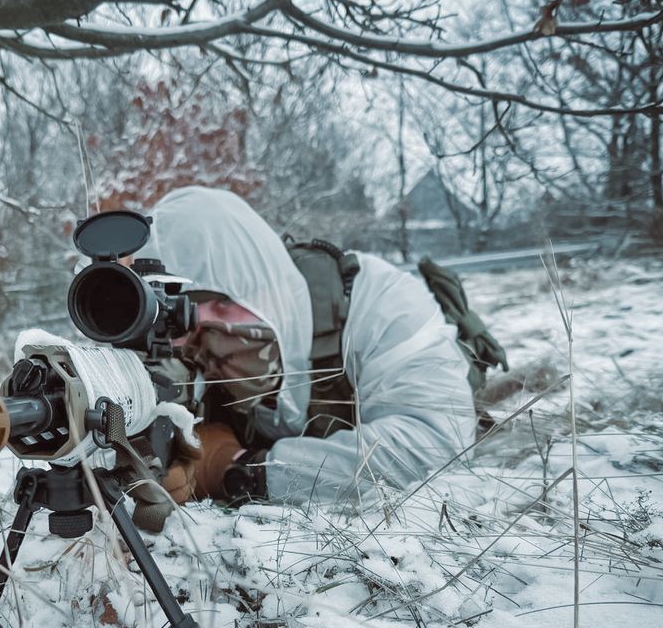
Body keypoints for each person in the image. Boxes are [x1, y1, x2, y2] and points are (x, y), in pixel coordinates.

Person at [137, 186, 479, 511]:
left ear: (271, 280)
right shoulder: (178, 340)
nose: (205, 327)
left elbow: (437, 444)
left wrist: (244, 471)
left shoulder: (383, 306)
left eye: (224, 302)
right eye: (186, 309)